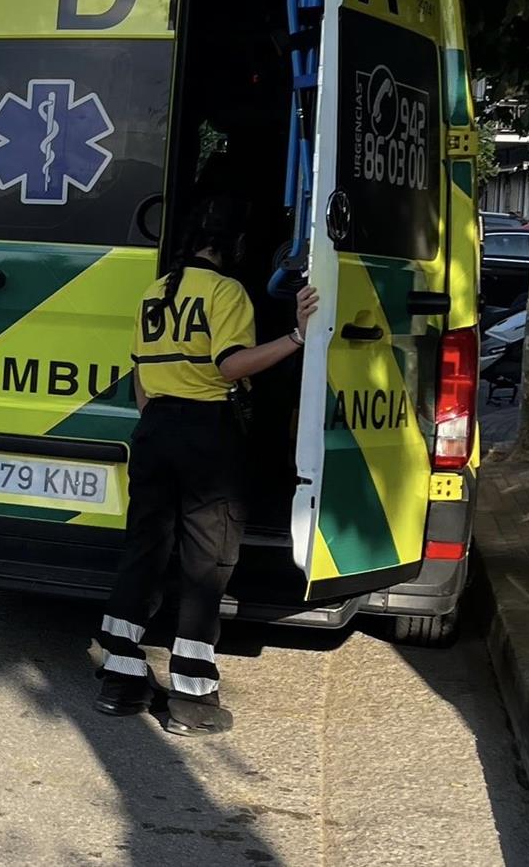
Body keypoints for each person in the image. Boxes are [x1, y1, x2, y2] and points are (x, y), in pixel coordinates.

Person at [95, 197, 319, 736]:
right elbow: (230, 366)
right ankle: (193, 697)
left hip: (154, 431)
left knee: (145, 551)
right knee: (206, 559)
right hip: (204, 433)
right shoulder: (226, 291)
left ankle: (121, 682)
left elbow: (142, 381)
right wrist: (296, 337)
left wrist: (164, 423)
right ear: (233, 246)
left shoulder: (154, 293)